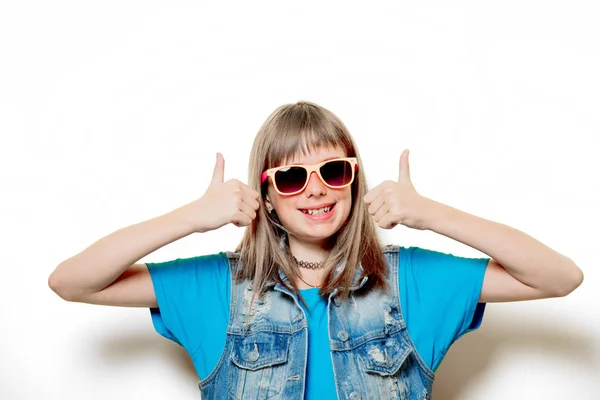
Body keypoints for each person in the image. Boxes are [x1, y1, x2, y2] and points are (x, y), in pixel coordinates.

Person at [48, 101, 583, 400]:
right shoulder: (217, 288)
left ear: (353, 180)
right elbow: (72, 282)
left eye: (332, 170)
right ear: (264, 195)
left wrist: (430, 215)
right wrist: (190, 219)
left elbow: (558, 278)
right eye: (291, 178)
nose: (316, 189)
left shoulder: (409, 282)